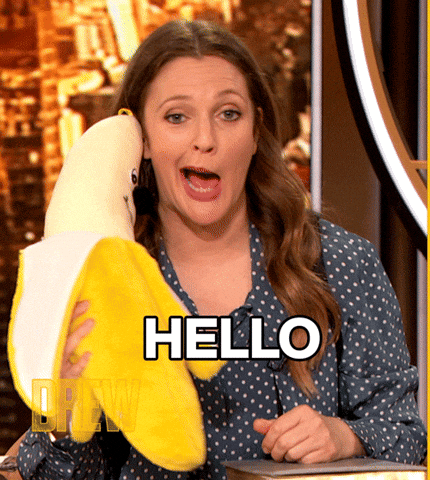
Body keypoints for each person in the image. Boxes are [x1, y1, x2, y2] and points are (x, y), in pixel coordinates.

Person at [16, 19, 426, 480]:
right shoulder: (104, 278)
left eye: (229, 114)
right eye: (177, 117)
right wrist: (60, 413)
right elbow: (48, 469)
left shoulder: (341, 262)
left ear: (256, 132)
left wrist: (344, 436)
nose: (205, 140)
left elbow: (406, 434)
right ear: (141, 139)